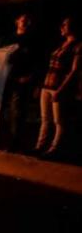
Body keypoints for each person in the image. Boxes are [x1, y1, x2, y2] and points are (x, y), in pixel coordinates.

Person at [0, 13, 42, 151]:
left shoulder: (33, 41)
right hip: (5, 79)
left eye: (28, 21)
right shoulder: (7, 39)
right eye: (23, 20)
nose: (26, 23)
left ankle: (13, 143)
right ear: (17, 22)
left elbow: (38, 62)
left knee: (17, 113)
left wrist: (31, 77)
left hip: (21, 81)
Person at [35, 17, 80, 157]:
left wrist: (61, 90)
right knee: (45, 118)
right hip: (47, 85)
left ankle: (54, 149)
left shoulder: (78, 46)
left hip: (58, 87)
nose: (61, 27)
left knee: (58, 120)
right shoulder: (62, 44)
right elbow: (50, 67)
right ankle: (39, 146)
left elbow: (74, 70)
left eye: (65, 25)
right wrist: (41, 85)